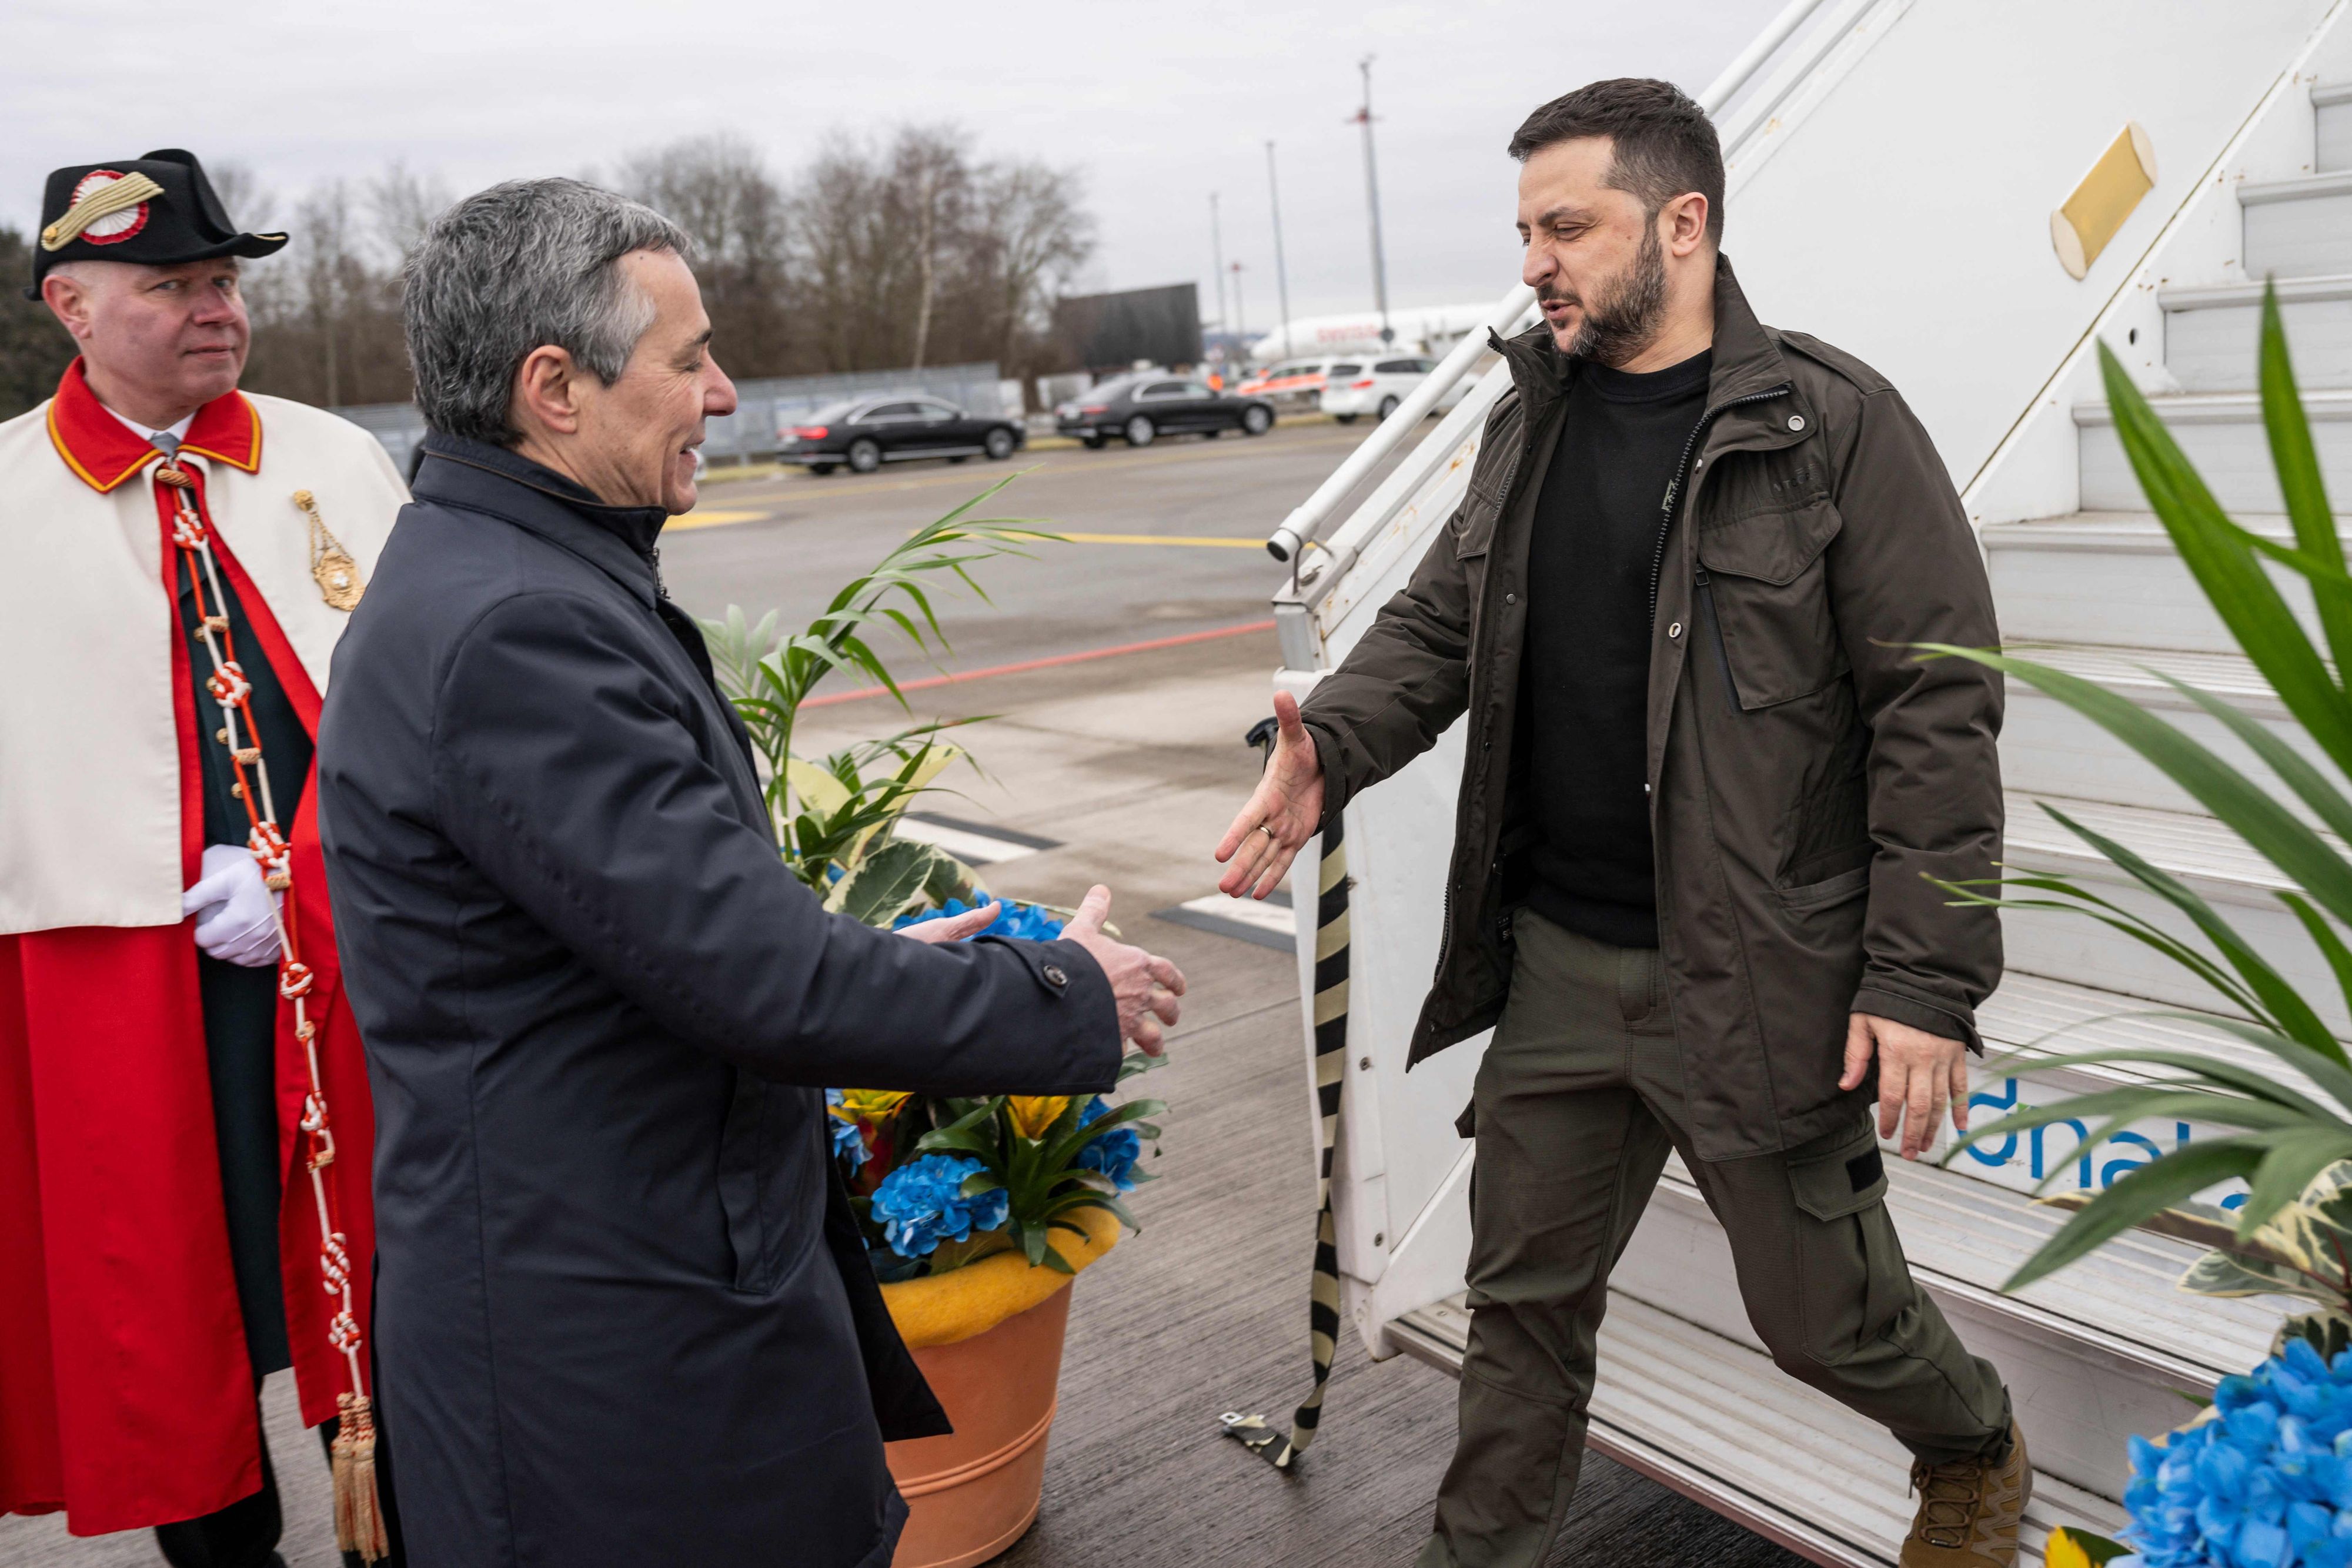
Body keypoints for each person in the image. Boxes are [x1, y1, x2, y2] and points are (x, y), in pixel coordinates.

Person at [314, 176, 1187, 1568]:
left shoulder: (511, 571)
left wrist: (908, 960)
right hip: (613, 1360)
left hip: (622, 1304)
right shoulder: (519, 629)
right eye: (687, 358)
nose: (723, 391)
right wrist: (1054, 992)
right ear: (555, 387)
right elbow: (751, 979)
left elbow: (631, 925)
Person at [1218, 79, 2021, 1568]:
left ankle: (1968, 1436)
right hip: (1562, 968)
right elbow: (1443, 618)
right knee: (1519, 1314)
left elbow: (1937, 706)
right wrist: (1332, 738)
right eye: (1526, 229)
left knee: (1819, 1317)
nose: (1535, 259)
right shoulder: (1530, 422)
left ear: (1681, 221)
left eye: (1565, 225)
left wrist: (1919, 980)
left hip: (1760, 972)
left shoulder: (1830, 427)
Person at [0, 151, 410, 1565]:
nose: (212, 308)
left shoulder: (331, 459)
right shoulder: (0, 501)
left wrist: (312, 861)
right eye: (170, 284)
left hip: (354, 951)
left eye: (222, 280)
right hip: (124, 988)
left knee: (382, 1281)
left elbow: (427, 707)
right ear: (69, 302)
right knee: (172, 1311)